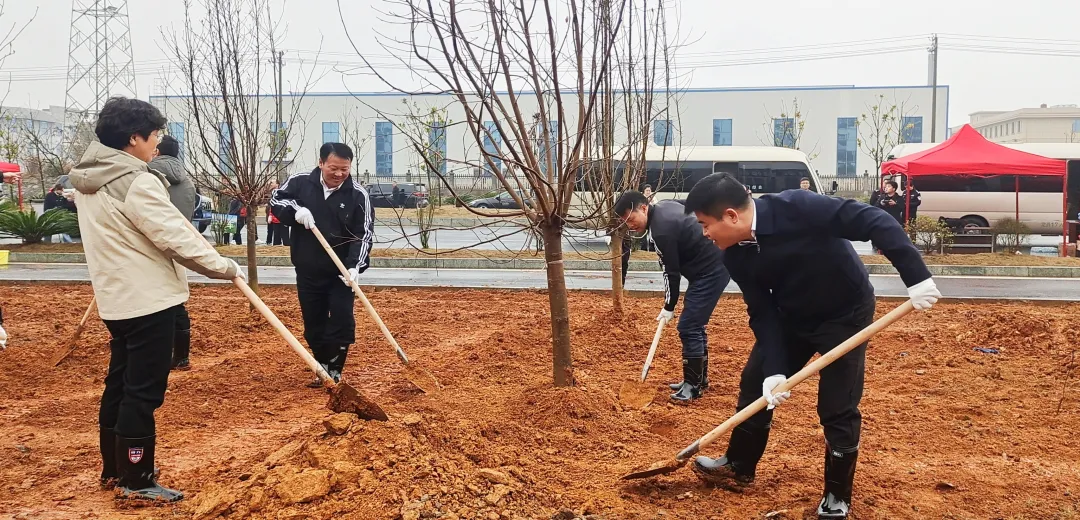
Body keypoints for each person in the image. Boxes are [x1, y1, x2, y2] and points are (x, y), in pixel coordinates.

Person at [682, 173, 940, 519]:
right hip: (791, 318)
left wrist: (916, 277)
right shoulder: (734, 255)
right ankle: (739, 466)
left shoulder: (798, 207)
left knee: (837, 405)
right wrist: (775, 369)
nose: (704, 234)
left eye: (704, 224)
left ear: (731, 216)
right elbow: (762, 312)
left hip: (844, 315)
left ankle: (837, 495)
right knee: (755, 382)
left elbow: (874, 220)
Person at [69, 96, 242, 503]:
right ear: (134, 138)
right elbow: (176, 237)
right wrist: (224, 267)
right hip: (149, 301)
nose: (157, 144)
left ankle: (114, 469)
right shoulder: (135, 181)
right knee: (143, 391)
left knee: (121, 383)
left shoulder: (91, 178)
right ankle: (137, 476)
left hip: (117, 298)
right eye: (154, 136)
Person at [270, 143, 373, 386]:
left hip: (341, 273)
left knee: (341, 320)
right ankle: (322, 365)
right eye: (333, 168)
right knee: (313, 324)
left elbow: (363, 234)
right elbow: (276, 200)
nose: (339, 174)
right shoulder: (300, 182)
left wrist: (354, 267)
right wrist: (296, 211)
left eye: (344, 169)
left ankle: (334, 370)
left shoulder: (358, 195)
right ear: (321, 163)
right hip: (308, 269)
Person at [615, 190, 730, 403]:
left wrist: (669, 306)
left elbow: (671, 272)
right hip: (709, 266)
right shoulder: (664, 207)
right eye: (625, 222)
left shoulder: (661, 231)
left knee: (689, 326)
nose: (630, 225)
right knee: (695, 323)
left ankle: (693, 386)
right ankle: (699, 379)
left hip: (711, 270)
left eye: (631, 219)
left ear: (643, 208)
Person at [148, 135, 198, 372]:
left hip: (151, 246)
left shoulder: (147, 174)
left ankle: (158, 354)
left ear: (157, 151)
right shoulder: (187, 179)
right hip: (178, 244)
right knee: (176, 300)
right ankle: (181, 356)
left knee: (153, 301)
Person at [265, 180, 291, 246]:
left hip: (283, 218)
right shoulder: (270, 192)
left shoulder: (282, 192)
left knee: (285, 237)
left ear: (277, 184)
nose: (270, 184)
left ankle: (287, 249)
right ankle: (273, 244)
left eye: (272, 183)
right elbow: (272, 205)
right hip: (274, 218)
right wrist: (270, 215)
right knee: (276, 236)